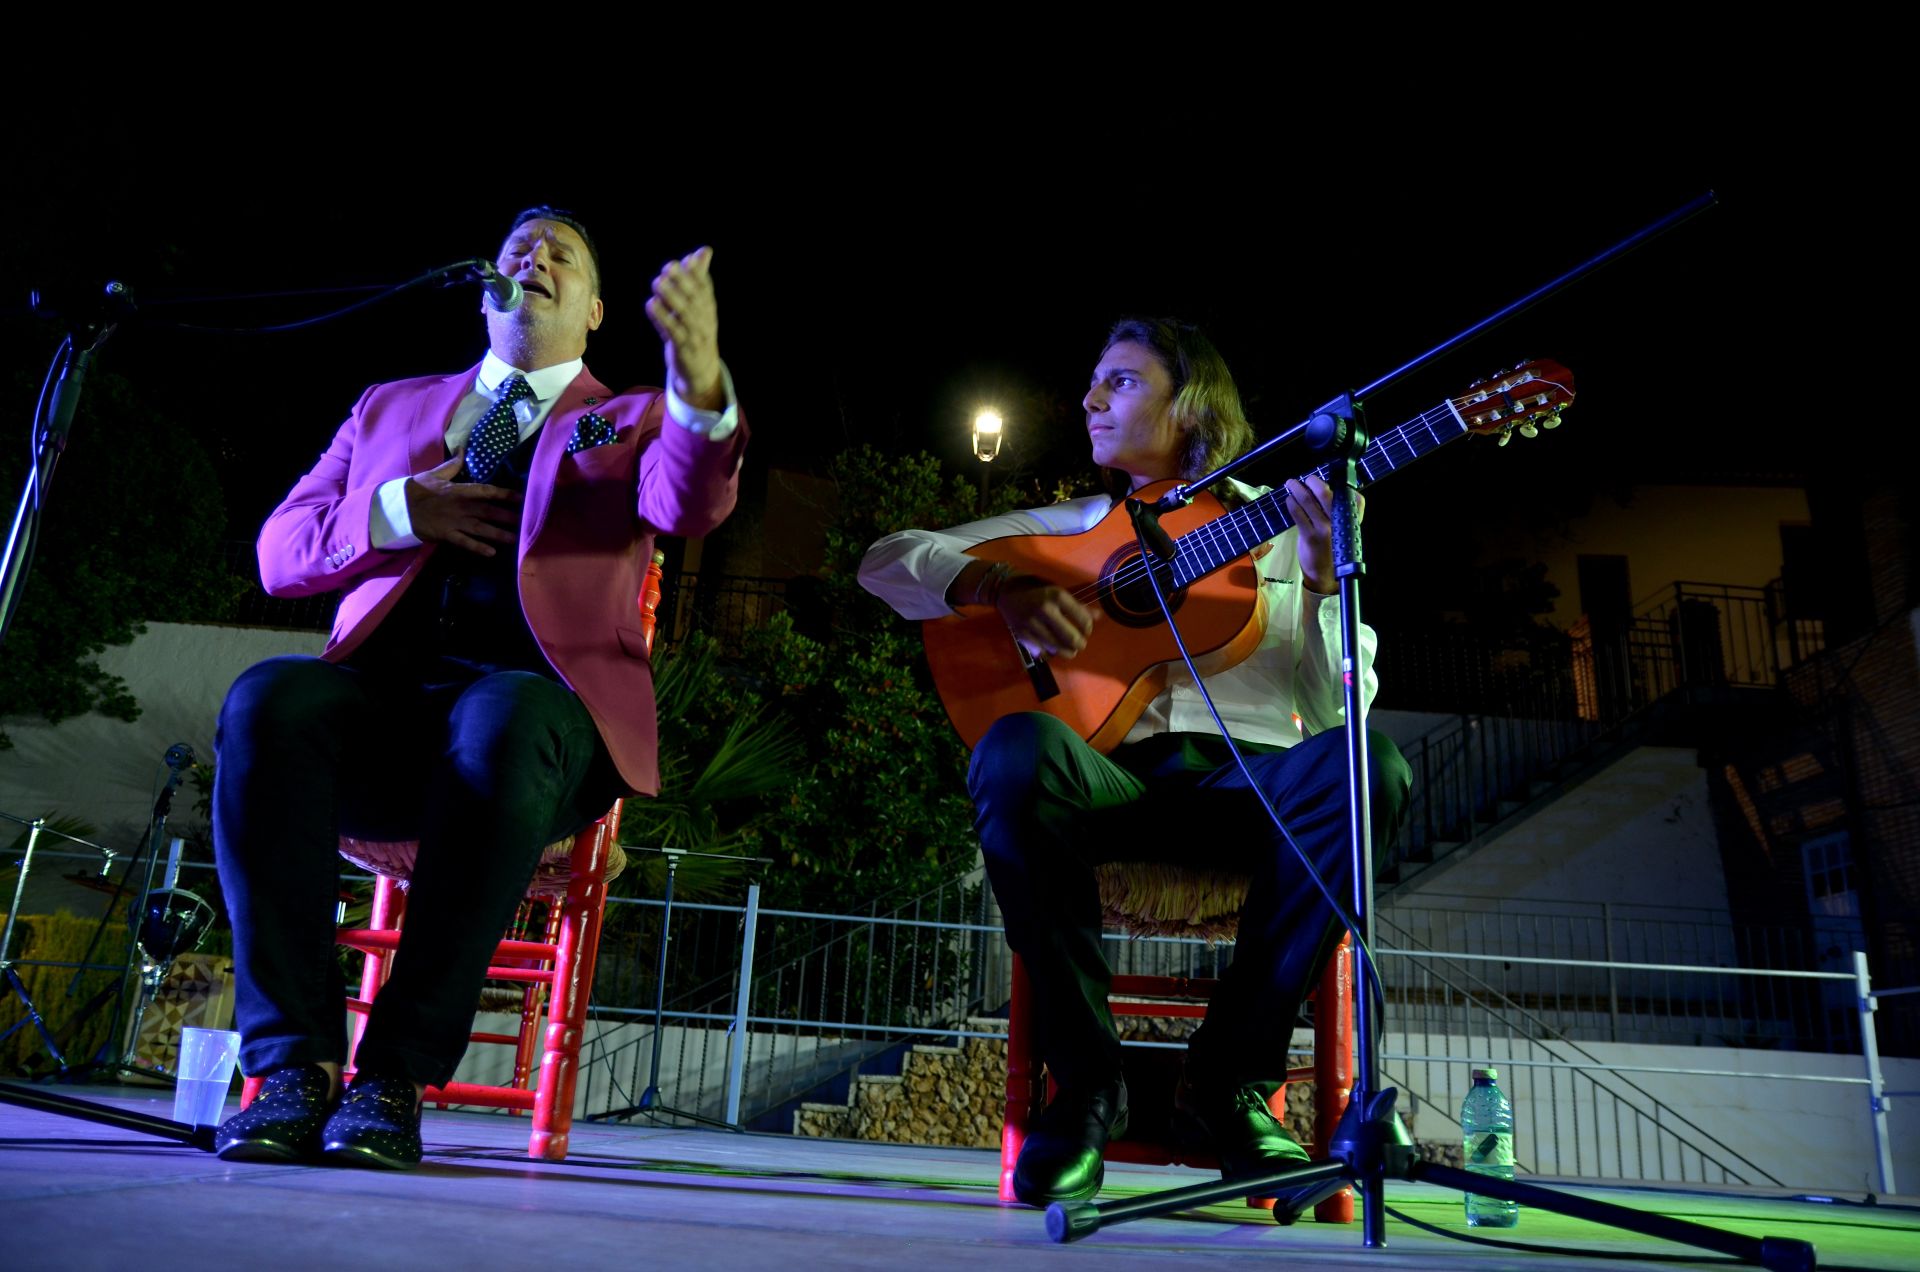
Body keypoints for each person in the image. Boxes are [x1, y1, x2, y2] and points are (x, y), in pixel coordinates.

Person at [211, 206, 747, 1169]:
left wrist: (700, 380)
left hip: (534, 734)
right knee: (268, 699)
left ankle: (391, 1080)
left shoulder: (629, 420)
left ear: (592, 312)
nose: (533, 258)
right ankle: (291, 1068)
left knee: (502, 713)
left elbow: (693, 499)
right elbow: (278, 554)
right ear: (484, 286)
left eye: (563, 255)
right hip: (386, 717)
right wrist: (397, 511)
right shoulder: (388, 408)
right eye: (516, 249)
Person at [858, 317, 1410, 1206]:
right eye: (1094, 380)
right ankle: (1084, 1089)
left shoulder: (1285, 519)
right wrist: (1000, 586)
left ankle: (1229, 1082)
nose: (1089, 398)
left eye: (1119, 381)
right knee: (1014, 746)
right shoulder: (1081, 525)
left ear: (1190, 404)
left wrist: (1316, 577)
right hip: (1115, 784)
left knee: (1370, 768)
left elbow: (1340, 710)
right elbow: (888, 561)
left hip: (1247, 787)